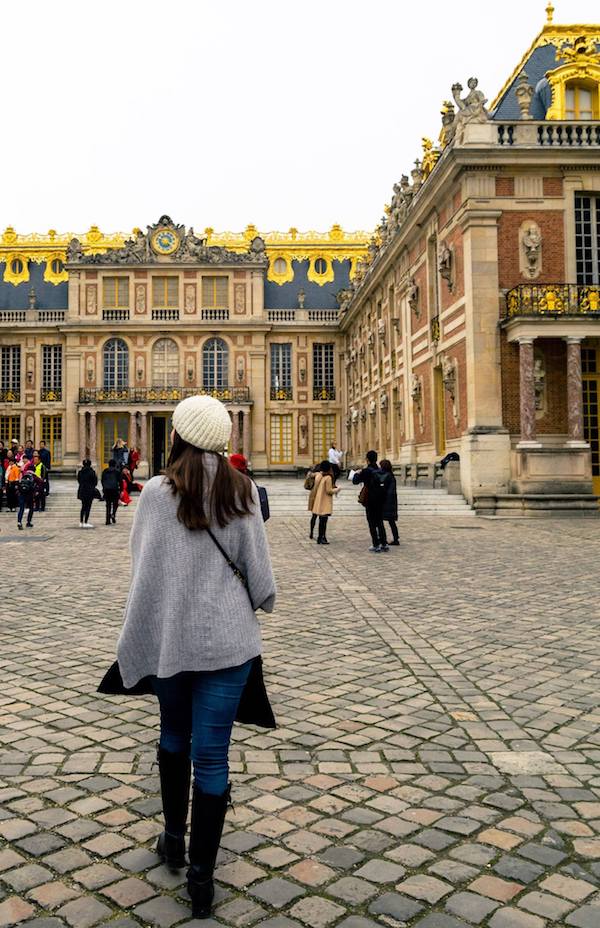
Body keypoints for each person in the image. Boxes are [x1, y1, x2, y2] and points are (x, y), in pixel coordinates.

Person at [114, 394, 276, 920]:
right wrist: (245, 604)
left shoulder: (159, 492)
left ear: (177, 436)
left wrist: (141, 632)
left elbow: (145, 570)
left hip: (172, 644)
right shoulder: (242, 489)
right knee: (213, 756)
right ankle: (203, 880)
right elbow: (262, 580)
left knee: (172, 738)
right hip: (229, 648)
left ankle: (174, 841)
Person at [352, 450, 388, 553]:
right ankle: (384, 543)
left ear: (367, 460)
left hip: (370, 499)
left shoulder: (366, 471)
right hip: (380, 499)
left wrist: (357, 473)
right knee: (379, 521)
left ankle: (376, 544)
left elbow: (355, 481)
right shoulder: (380, 470)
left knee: (372, 522)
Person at [310, 460, 339, 544]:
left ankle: (320, 537)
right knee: (324, 522)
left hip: (319, 501)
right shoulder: (328, 477)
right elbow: (329, 491)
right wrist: (337, 489)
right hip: (325, 502)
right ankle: (322, 537)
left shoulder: (320, 476)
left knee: (321, 521)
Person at [379, 459, 399, 545]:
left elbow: (384, 488)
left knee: (380, 520)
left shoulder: (387, 476)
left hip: (387, 501)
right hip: (391, 501)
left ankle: (382, 538)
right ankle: (395, 538)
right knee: (391, 522)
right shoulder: (391, 476)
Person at [77, 459, 98, 528]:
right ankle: (85, 522)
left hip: (82, 490)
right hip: (90, 491)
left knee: (83, 506)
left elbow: (79, 481)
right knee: (88, 507)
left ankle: (81, 522)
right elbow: (95, 482)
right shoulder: (92, 472)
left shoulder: (80, 472)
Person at [101, 458, 121, 525]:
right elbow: (120, 481)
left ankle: (107, 520)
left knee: (108, 505)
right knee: (115, 503)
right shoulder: (117, 471)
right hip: (114, 489)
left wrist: (104, 488)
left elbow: (102, 480)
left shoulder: (105, 471)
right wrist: (121, 490)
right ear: (115, 464)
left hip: (107, 489)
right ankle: (113, 514)